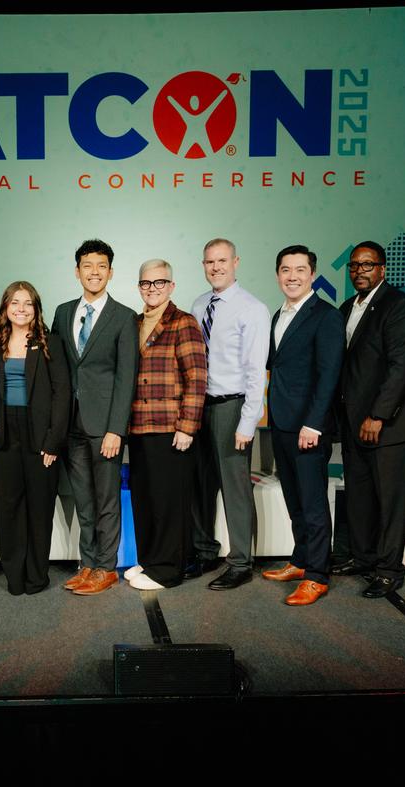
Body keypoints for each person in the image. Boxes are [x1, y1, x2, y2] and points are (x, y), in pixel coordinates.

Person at [327, 241, 405, 598]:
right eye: (354, 266)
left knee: (390, 500)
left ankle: (388, 569)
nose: (359, 271)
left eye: (367, 265)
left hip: (389, 426)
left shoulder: (399, 308)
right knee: (360, 495)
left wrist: (378, 415)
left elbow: (402, 368)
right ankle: (363, 557)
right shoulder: (346, 307)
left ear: (383, 269)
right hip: (354, 423)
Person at [50, 240, 139, 596]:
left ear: (111, 272)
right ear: (77, 271)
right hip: (71, 425)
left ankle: (106, 567)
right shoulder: (62, 312)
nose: (94, 272)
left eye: (101, 266)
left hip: (105, 428)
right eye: (88, 265)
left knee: (106, 500)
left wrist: (116, 429)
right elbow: (58, 371)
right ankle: (87, 564)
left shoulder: (124, 316)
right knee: (83, 500)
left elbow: (126, 377)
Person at [261, 245, 344, 606]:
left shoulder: (325, 315)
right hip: (280, 422)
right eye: (285, 270)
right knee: (294, 498)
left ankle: (317, 575)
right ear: (278, 274)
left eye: (299, 270)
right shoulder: (277, 313)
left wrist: (314, 424)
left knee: (313, 503)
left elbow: (329, 376)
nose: (292, 276)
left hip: (308, 427)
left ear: (312, 274)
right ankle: (300, 559)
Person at [189, 238, 271, 590]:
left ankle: (240, 562)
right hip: (199, 407)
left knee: (234, 488)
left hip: (231, 406)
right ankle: (205, 551)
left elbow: (256, 370)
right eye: (209, 262)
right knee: (200, 485)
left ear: (236, 262)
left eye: (222, 261)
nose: (216, 267)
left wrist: (248, 421)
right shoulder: (198, 304)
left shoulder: (252, 308)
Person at [124, 259, 207, 590]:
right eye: (146, 283)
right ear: (139, 287)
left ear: (171, 286)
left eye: (159, 283)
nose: (152, 289)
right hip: (139, 427)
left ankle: (167, 571)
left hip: (171, 429)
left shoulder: (182, 322)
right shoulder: (133, 323)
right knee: (145, 499)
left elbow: (197, 378)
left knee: (169, 502)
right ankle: (148, 559)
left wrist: (187, 427)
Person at [0, 281, 71, 595]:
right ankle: (14, 576)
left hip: (41, 436)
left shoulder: (51, 343)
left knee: (39, 507)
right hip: (5, 433)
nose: (20, 309)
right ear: (5, 308)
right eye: (14, 302)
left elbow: (63, 395)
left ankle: (37, 576)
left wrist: (53, 442)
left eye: (27, 303)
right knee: (8, 509)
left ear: (36, 309)